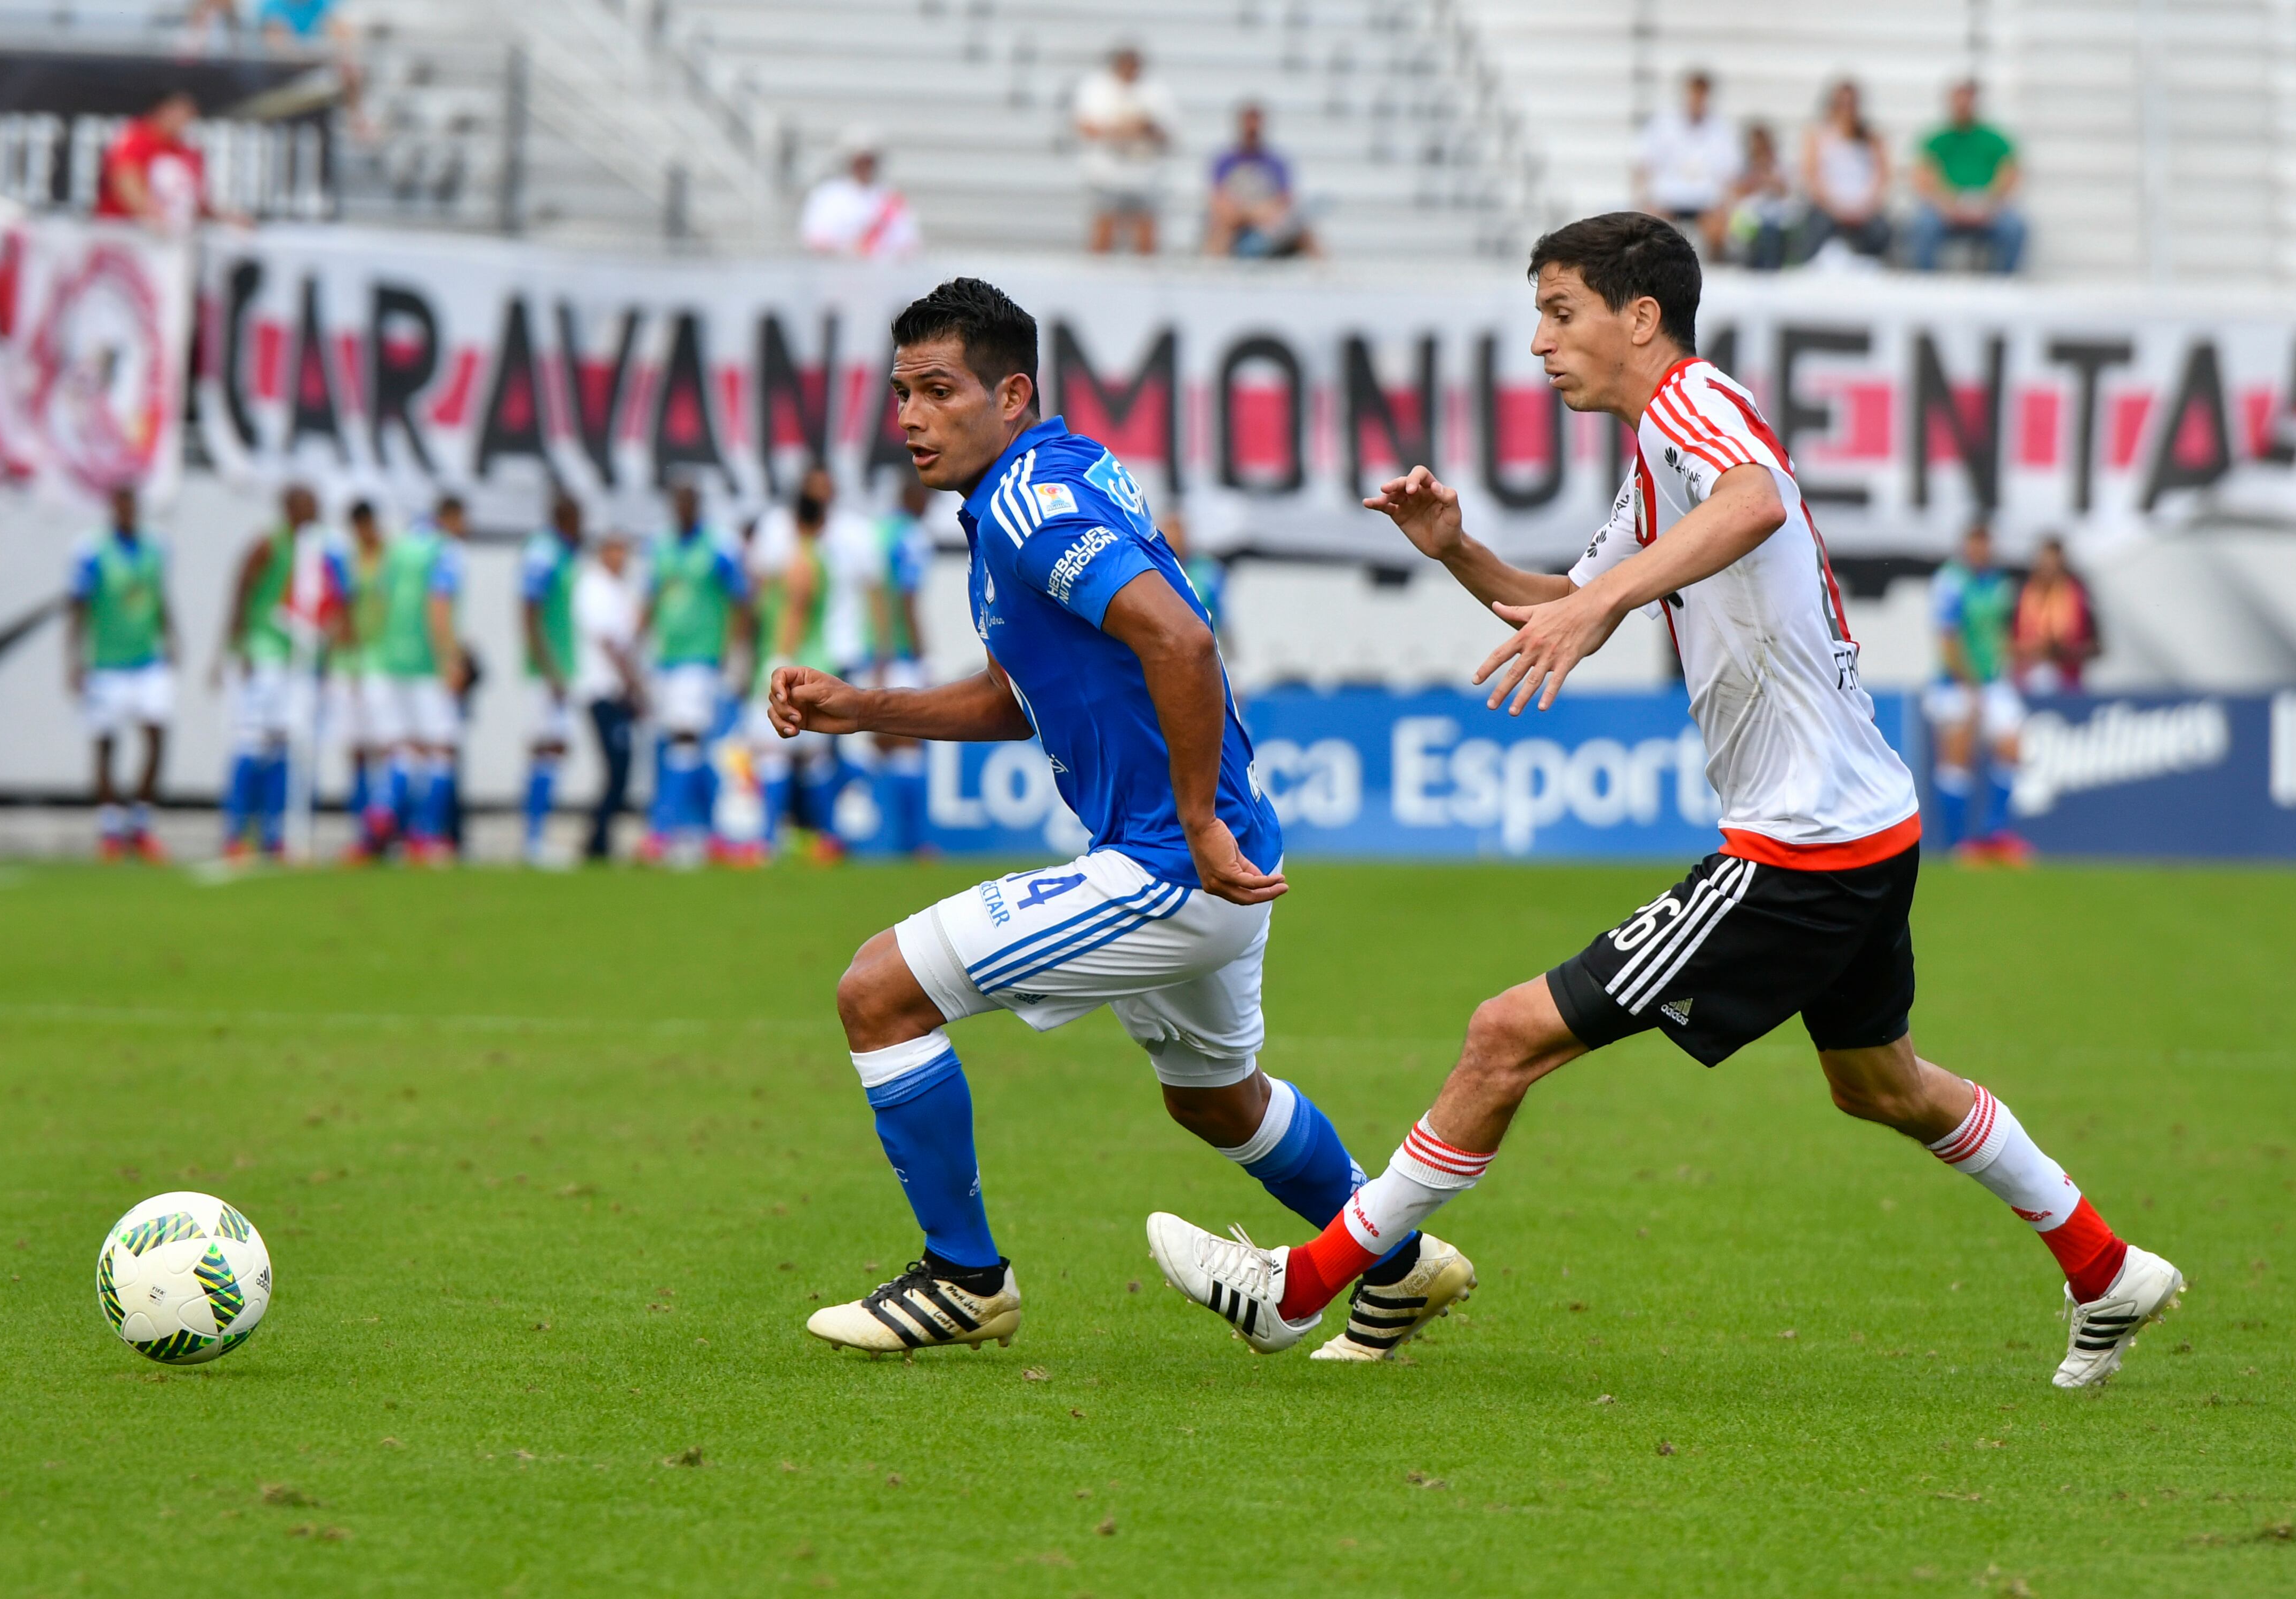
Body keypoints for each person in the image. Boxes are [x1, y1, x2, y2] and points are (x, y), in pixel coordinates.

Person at [1144, 214, 2181, 1391]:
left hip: (1800, 849)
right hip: (1863, 825)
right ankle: (2106, 1269)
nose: (1540, 340)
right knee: (1881, 1083)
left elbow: (1754, 503)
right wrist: (1457, 549)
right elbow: (1561, 599)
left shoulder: (1694, 404)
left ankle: (1302, 1287)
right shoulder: (1656, 452)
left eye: (1561, 310)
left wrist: (1602, 608)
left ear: (1639, 317)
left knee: (1502, 1037)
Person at [768, 277, 1467, 1360]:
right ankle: (1398, 1263)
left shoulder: (1027, 506)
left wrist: (1192, 825)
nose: (909, 416)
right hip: (1210, 855)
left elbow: (1181, 641)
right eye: (901, 392)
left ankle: (963, 1279)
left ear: (1011, 395)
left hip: (1173, 866)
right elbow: (1019, 696)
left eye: (937, 390)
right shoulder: (1057, 476)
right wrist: (865, 707)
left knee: (878, 993)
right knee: (1218, 1102)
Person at [745, 461, 873, 861]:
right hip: (819, 659)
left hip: (794, 660)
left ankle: (769, 839)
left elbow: (793, 613)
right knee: (812, 757)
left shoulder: (799, 560)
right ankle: (826, 838)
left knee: (774, 754)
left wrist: (779, 658)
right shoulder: (819, 556)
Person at [639, 480, 746, 866]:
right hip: (666, 658)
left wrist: (735, 655)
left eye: (690, 501)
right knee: (690, 744)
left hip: (702, 658)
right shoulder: (660, 546)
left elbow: (740, 601)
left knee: (685, 739)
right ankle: (714, 832)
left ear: (698, 505)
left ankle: (660, 831)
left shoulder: (719, 547)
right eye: (678, 501)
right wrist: (636, 645)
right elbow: (650, 598)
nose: (683, 508)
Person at [68, 484, 175, 862]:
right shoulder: (91, 550)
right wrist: (74, 660)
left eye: (132, 506)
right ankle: (111, 826)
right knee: (105, 741)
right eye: (121, 506)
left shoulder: (156, 547)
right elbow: (78, 605)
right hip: (106, 663)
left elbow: (160, 595)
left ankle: (141, 821)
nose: (127, 513)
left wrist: (171, 635)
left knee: (157, 733)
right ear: (112, 509)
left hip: (148, 660)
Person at [363, 496, 468, 865]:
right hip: (425, 663)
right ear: (450, 518)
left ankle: (380, 817)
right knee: (441, 749)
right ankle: (424, 835)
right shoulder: (446, 551)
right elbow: (438, 605)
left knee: (405, 748)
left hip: (390, 658)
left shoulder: (399, 548)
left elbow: (379, 599)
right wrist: (451, 658)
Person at [216, 484, 319, 862]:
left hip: (292, 657)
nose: (316, 509)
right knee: (251, 741)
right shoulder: (268, 544)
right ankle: (235, 831)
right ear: (290, 506)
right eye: (309, 503)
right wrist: (239, 646)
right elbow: (241, 589)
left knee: (282, 743)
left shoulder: (311, 549)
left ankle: (274, 833)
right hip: (261, 654)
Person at [1927, 521, 2028, 861]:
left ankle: (1993, 832)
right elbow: (1947, 637)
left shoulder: (1998, 583)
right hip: (1956, 684)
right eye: (1975, 544)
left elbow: (2000, 632)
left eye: (1986, 545)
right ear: (1966, 546)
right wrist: (1967, 684)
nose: (1981, 551)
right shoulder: (1951, 581)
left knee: (2012, 746)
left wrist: (2010, 663)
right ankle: (1957, 845)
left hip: (1993, 681)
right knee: (1958, 757)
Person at [869, 475, 937, 857]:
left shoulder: (879, 532)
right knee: (907, 744)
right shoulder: (911, 536)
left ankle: (876, 838)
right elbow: (908, 601)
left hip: (871, 650)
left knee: (880, 746)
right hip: (898, 654)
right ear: (913, 497)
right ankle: (912, 842)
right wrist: (923, 654)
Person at [519, 489, 583, 867]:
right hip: (548, 671)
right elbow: (529, 611)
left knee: (552, 748)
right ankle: (534, 838)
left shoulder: (561, 552)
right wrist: (549, 669)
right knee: (547, 747)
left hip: (560, 668)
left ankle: (537, 835)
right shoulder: (543, 553)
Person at [573, 528, 643, 863]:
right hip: (601, 688)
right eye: (615, 551)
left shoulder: (618, 589)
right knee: (617, 764)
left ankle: (599, 837)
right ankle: (598, 838)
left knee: (621, 767)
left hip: (617, 691)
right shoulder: (595, 587)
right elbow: (608, 642)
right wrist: (633, 683)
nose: (621, 558)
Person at [325, 498, 389, 858]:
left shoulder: (389, 560)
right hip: (348, 664)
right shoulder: (344, 561)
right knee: (356, 751)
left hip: (378, 662)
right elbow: (339, 610)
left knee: (384, 747)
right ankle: (363, 832)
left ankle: (383, 825)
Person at [1911, 79, 2026, 274]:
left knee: (2014, 227)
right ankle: (1926, 282)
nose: (1963, 105)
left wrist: (1988, 204)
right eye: (1959, 100)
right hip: (1946, 208)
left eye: (1968, 100)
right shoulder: (1936, 139)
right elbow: (1924, 178)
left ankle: (2003, 284)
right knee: (1923, 224)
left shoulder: (1995, 138)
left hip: (1987, 207)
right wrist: (1948, 205)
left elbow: (2010, 175)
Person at [1074, 44, 1174, 255]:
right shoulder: (1097, 87)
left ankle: (1147, 281)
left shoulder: (1156, 89)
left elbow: (1167, 133)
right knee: (1104, 228)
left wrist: (1141, 128)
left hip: (1144, 173)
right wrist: (1128, 129)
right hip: (1106, 172)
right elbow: (1086, 126)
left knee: (1145, 230)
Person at [1635, 70, 1741, 260]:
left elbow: (1730, 175)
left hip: (1705, 200)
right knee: (1652, 230)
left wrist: (1727, 208)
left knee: (1718, 228)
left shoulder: (1721, 130)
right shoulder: (1663, 125)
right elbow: (1643, 165)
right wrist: (1645, 200)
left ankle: (1715, 271)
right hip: (1668, 197)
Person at [94, 90, 220, 235]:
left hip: (174, 237)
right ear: (163, 110)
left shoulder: (188, 150)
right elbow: (125, 179)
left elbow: (196, 202)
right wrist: (152, 214)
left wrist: (220, 217)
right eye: (182, 113)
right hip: (129, 233)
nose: (186, 120)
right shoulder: (139, 137)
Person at [1794, 79, 1892, 264]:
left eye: (1851, 103)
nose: (1846, 109)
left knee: (1881, 230)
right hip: (1828, 208)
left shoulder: (1871, 138)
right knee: (1816, 225)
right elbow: (1812, 176)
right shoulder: (1818, 136)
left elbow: (1882, 176)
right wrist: (1836, 208)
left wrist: (1864, 208)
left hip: (1864, 209)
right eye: (1841, 103)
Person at [1204, 103, 1317, 259]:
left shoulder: (1277, 162)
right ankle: (1213, 274)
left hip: (1270, 225)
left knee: (1304, 232)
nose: (1252, 131)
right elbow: (1218, 201)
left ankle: (1325, 275)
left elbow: (1287, 200)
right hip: (1237, 224)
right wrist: (1251, 214)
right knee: (1220, 228)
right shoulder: (1224, 161)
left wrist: (1265, 215)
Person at [799, 126, 923, 262]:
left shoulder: (891, 198)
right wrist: (850, 251)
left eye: (868, 161)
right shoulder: (828, 196)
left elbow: (908, 244)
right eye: (860, 161)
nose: (864, 167)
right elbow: (815, 240)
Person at [2013, 535, 2100, 694]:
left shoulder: (2077, 594)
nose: (2050, 567)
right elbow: (2010, 643)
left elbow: (2095, 645)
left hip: (2069, 677)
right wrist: (2037, 650)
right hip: (2029, 676)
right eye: (2046, 561)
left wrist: (2065, 650)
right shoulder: (2024, 593)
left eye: (2054, 562)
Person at [1725, 122, 1795, 270]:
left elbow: (1785, 191)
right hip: (1749, 219)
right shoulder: (1743, 167)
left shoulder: (1778, 167)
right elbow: (1736, 191)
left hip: (1773, 218)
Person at [1159, 507, 1228, 658]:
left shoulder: (1207, 568)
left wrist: (1228, 649)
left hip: (1207, 647)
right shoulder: (1155, 568)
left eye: (1178, 530)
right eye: (1169, 530)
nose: (1174, 537)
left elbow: (1221, 611)